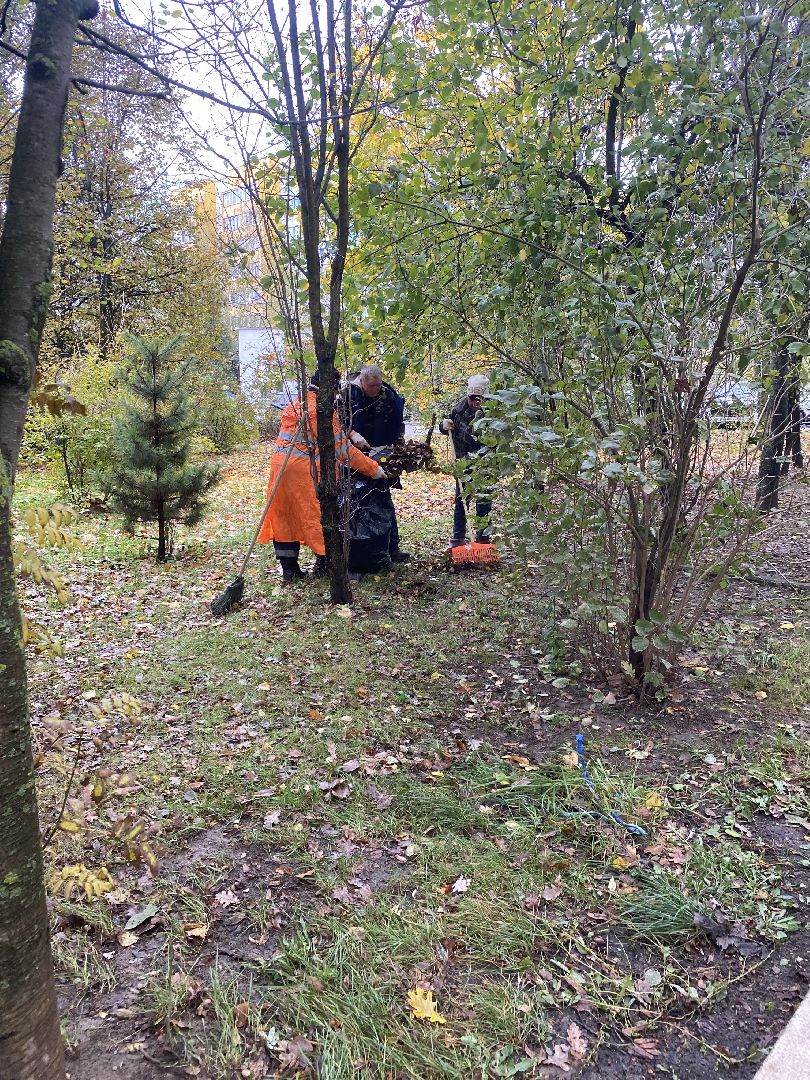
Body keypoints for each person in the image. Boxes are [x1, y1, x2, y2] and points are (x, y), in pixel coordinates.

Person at [258, 374, 385, 581]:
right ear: (331, 389)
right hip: (303, 473)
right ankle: (326, 564)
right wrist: (373, 469)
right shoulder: (323, 411)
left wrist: (349, 433)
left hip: (279, 469)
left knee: (284, 516)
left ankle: (290, 570)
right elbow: (343, 451)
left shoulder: (296, 404)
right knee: (316, 515)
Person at [343, 363, 410, 562]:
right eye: (371, 386)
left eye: (378, 385)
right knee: (352, 504)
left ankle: (391, 548)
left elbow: (397, 426)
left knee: (384, 500)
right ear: (362, 381)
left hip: (379, 455)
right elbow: (333, 424)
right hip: (350, 459)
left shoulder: (388, 396)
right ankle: (353, 553)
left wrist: (398, 452)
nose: (376, 390)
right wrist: (351, 434)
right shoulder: (347, 395)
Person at [439, 374, 493, 546]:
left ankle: (483, 538)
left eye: (479, 398)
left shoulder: (491, 412)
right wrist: (443, 425)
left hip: (486, 461)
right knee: (462, 499)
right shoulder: (459, 409)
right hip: (463, 459)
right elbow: (446, 425)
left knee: (484, 499)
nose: (475, 402)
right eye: (472, 397)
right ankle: (458, 538)